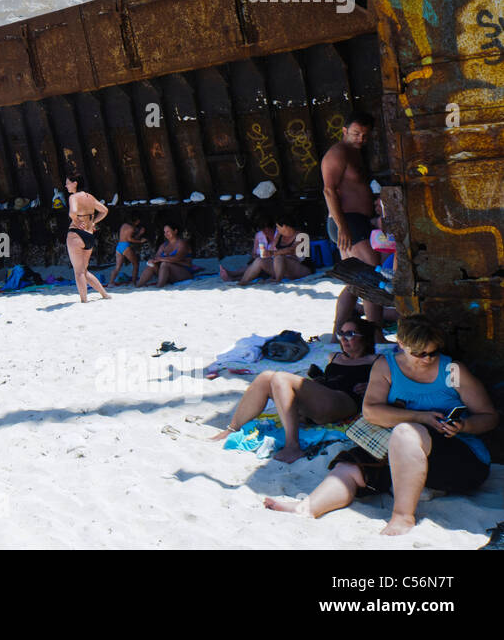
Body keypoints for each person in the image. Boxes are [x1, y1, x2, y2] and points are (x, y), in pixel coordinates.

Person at [265, 315, 497, 535]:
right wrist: (422, 417)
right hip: (400, 451)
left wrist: (463, 426)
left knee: (406, 433)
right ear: (402, 345)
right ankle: (307, 507)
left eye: (433, 353)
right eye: (420, 353)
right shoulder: (387, 367)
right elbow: (371, 412)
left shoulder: (451, 371)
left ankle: (403, 516)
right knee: (350, 466)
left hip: (458, 458)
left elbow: (488, 416)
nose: (427, 358)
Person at [212, 319, 378, 463]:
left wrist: (370, 387)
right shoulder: (334, 357)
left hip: (344, 401)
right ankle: (231, 429)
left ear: (365, 338)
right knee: (265, 377)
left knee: (280, 378)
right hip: (323, 398)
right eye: (341, 333)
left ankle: (293, 446)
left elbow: (390, 384)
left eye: (350, 334)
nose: (343, 338)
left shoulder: (376, 361)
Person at [322, 111, 383, 337]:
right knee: (372, 274)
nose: (360, 139)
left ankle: (338, 330)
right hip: (347, 222)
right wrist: (343, 227)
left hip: (356, 221)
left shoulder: (356, 153)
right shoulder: (338, 153)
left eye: (365, 135)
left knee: (355, 280)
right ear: (344, 131)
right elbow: (329, 191)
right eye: (356, 134)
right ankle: (375, 334)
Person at [65, 177, 111, 303]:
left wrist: (75, 220)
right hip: (90, 235)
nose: (66, 186)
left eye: (68, 183)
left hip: (76, 234)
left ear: (75, 183)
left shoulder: (73, 197)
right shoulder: (90, 197)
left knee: (78, 271)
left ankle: (84, 300)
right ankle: (104, 294)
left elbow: (72, 212)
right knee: (84, 271)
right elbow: (104, 210)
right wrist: (94, 222)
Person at [134, 223, 193, 288]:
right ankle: (138, 286)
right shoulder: (164, 245)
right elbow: (156, 258)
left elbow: (177, 258)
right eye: (164, 232)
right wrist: (153, 260)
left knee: (165, 264)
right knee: (152, 265)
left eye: (168, 231)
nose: (166, 234)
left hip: (183, 273)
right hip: (168, 274)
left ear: (175, 231)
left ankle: (159, 287)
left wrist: (161, 259)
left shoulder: (181, 243)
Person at [107, 216, 146, 286]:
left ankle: (110, 283)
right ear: (137, 221)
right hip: (125, 246)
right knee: (136, 264)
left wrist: (140, 233)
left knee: (117, 267)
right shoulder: (132, 228)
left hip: (119, 246)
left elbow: (126, 236)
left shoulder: (124, 225)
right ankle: (133, 282)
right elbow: (129, 239)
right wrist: (140, 241)